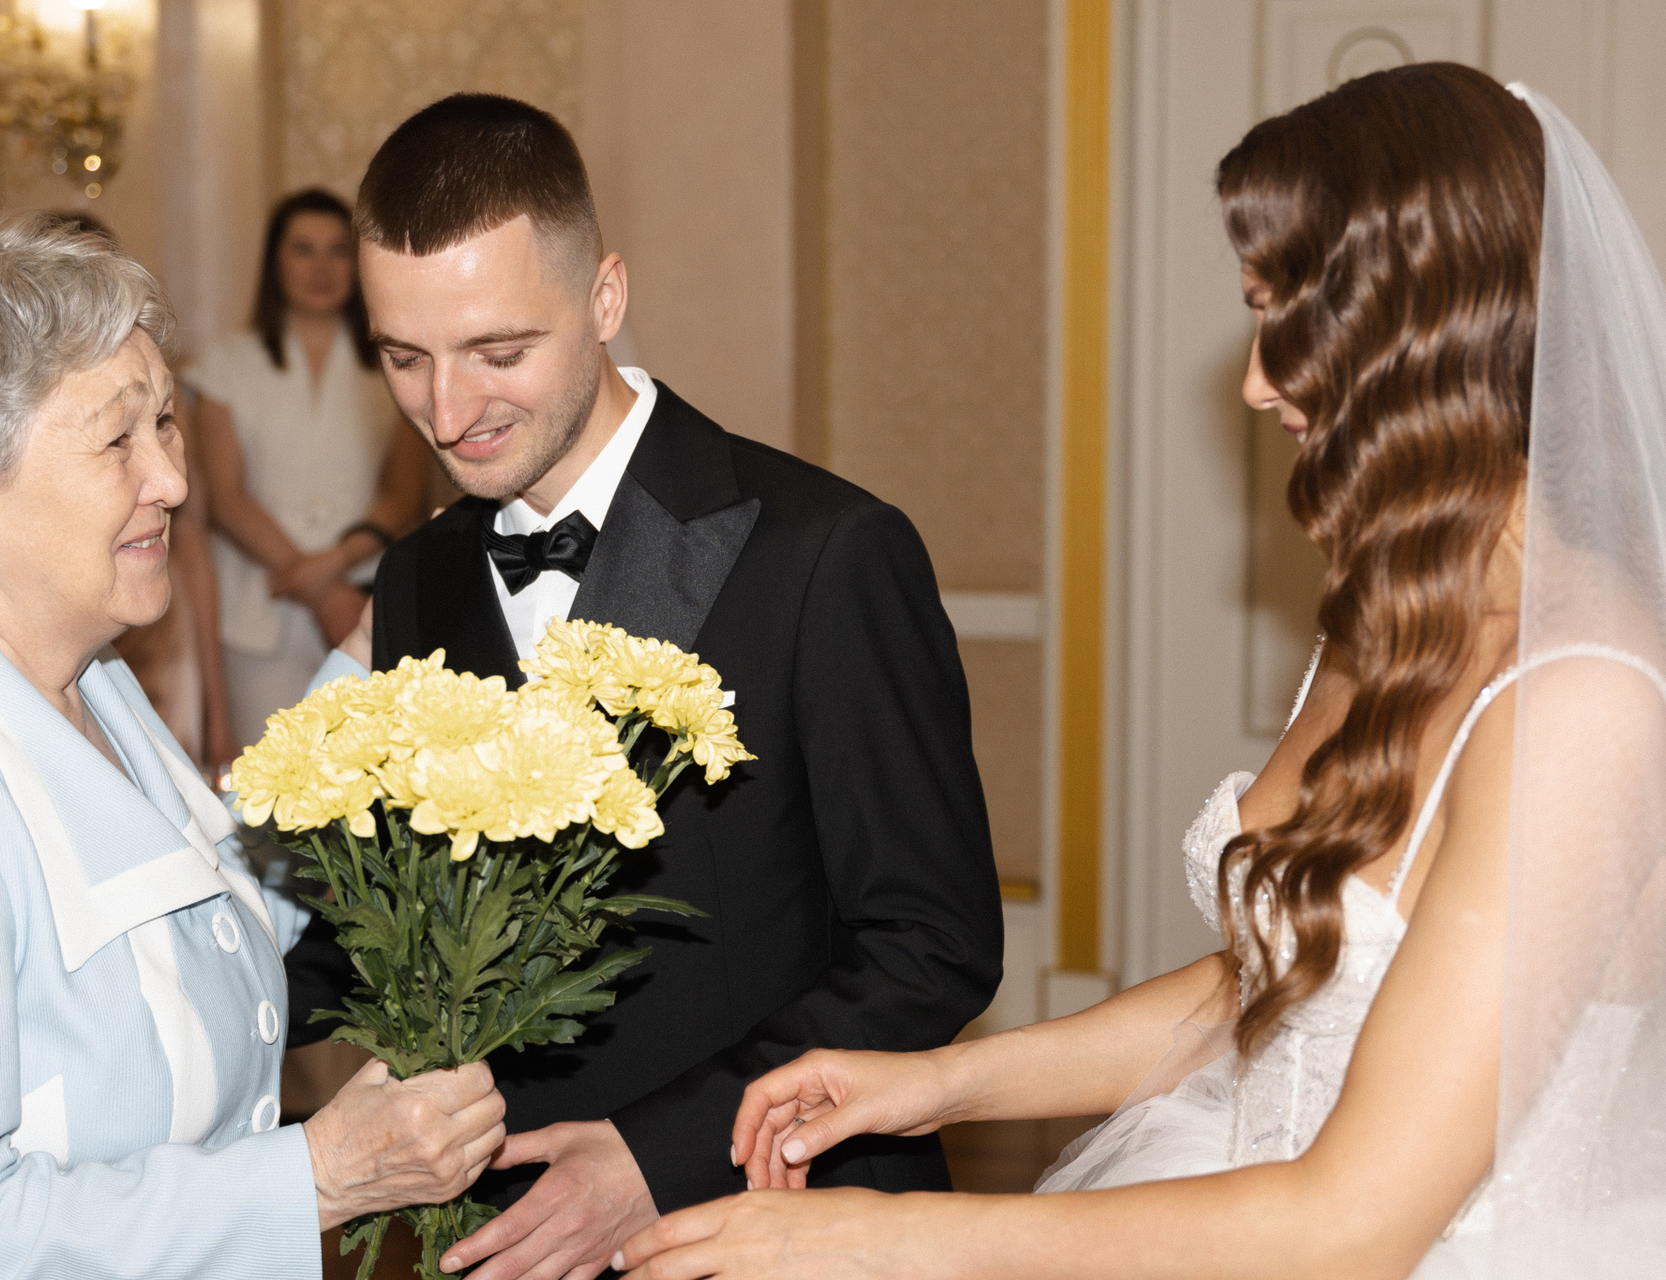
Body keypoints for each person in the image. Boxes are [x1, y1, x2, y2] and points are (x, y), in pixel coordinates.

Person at [616, 64, 1666, 1279]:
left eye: (1285, 318)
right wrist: (939, 1081)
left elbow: (1351, 1225)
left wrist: (880, 1234)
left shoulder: (1583, 701)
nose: (1256, 379)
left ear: (1421, 332)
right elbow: (1281, 989)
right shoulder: (1385, 618)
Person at [302, 93, 1005, 1280]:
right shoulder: (417, 576)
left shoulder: (826, 552)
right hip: (511, 1241)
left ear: (606, 297)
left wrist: (656, 1157)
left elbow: (934, 945)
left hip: (786, 1228)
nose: (448, 413)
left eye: (499, 352)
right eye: (404, 358)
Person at [0, 214, 506, 1279]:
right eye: (117, 440)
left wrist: (360, 674)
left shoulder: (77, 668)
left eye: (166, 424)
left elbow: (207, 908)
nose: (173, 481)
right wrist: (317, 1175)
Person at [188, 188, 428, 753]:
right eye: (303, 249)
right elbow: (225, 498)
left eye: (338, 250)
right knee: (269, 781)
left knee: (365, 779)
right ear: (275, 262)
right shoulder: (225, 364)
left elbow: (403, 494)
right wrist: (320, 590)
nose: (321, 267)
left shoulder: (400, 361)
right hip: (259, 614)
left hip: (364, 602)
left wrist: (333, 568)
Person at [47, 209, 237, 771]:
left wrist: (219, 707)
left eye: (164, 424)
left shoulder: (157, 384)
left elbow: (194, 538)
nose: (170, 483)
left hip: (160, 605)